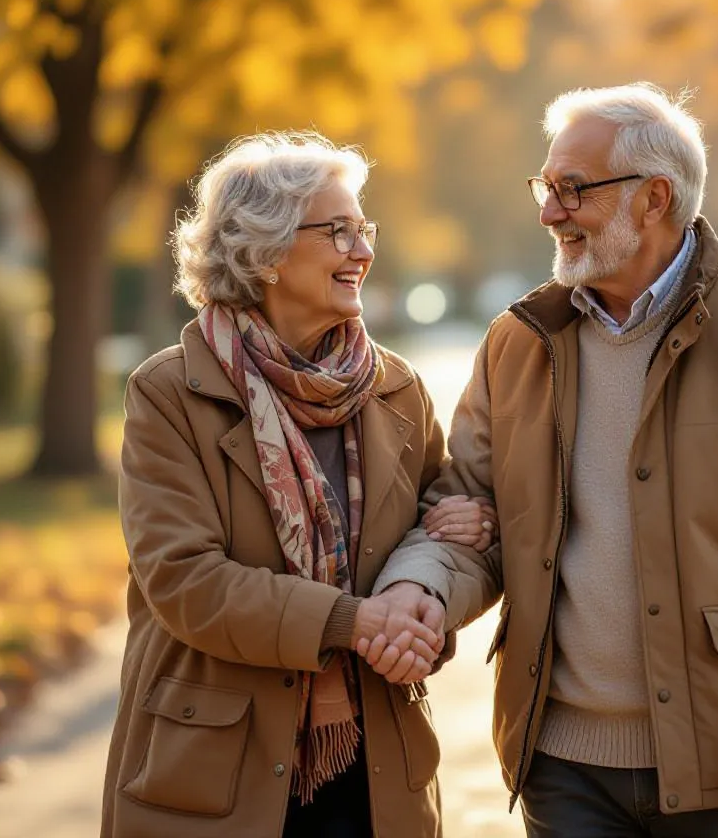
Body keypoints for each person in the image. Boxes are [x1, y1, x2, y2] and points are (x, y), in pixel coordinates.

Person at [365, 84, 718, 837]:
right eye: (545, 188)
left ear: (654, 198)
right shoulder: (519, 342)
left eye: (572, 189)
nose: (550, 211)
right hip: (562, 769)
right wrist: (421, 589)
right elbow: (468, 513)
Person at [101, 131, 496, 838]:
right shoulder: (169, 393)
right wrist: (353, 620)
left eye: (363, 228)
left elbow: (447, 529)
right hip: (215, 775)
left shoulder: (398, 388)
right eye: (338, 230)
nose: (363, 251)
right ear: (267, 252)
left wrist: (433, 587)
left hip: (376, 776)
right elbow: (184, 579)